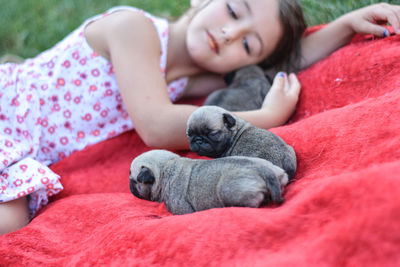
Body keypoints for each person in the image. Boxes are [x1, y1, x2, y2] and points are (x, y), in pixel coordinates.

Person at [0, 0, 399, 234]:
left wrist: (347, 25)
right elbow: (156, 124)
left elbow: (288, 62)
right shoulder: (132, 28)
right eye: (231, 10)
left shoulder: (189, 78)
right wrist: (264, 117)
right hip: (7, 111)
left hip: (21, 149)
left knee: (11, 220)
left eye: (247, 43)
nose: (228, 34)